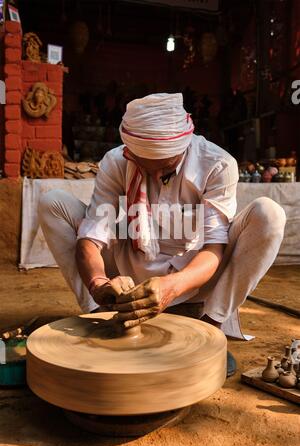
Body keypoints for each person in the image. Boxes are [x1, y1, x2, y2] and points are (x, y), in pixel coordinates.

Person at [39, 93, 286, 377]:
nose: (157, 179)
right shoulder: (116, 161)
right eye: (147, 168)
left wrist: (172, 286)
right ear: (130, 153)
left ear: (183, 149)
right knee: (53, 203)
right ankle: (100, 314)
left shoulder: (217, 164)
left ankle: (210, 326)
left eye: (167, 170)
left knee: (269, 215)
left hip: (194, 275)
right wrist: (98, 283)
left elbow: (214, 248)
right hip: (128, 270)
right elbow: (92, 237)